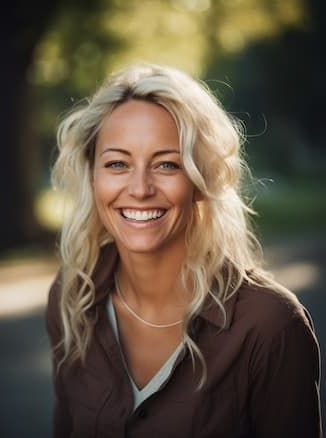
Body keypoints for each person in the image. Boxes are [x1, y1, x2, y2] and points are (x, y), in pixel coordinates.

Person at [46, 63, 322, 438]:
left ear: (200, 180)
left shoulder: (270, 326)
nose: (140, 188)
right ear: (92, 175)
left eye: (166, 164)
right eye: (117, 163)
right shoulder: (73, 296)